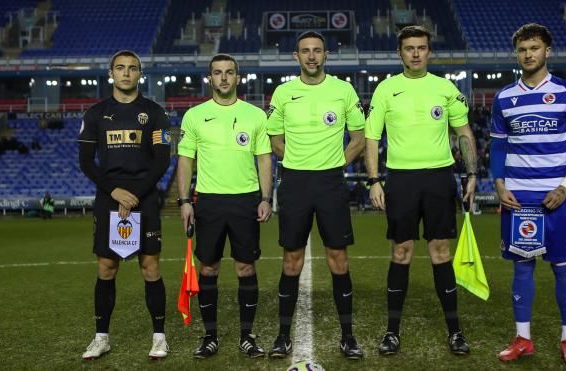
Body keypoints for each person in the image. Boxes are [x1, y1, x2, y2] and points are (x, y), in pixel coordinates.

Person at [364, 25, 476, 356]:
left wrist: (472, 172)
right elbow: (372, 138)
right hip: (400, 179)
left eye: (422, 47)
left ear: (429, 51)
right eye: (409, 48)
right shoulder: (386, 90)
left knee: (440, 252)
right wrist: (374, 181)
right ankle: (392, 332)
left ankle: (455, 331)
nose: (416, 53)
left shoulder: (446, 88)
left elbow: (464, 132)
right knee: (401, 252)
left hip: (439, 178)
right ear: (400, 53)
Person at [490, 23, 566, 367]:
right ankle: (522, 338)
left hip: (557, 199)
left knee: (563, 268)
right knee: (522, 270)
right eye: (522, 49)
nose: (528, 55)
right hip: (519, 201)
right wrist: (500, 185)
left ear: (548, 51)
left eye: (534, 48)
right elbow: (497, 148)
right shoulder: (504, 97)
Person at [266, 31, 366, 359]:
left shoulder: (343, 90)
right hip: (295, 183)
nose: (311, 56)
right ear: (296, 57)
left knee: (338, 258)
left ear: (326, 55)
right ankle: (283, 336)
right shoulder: (283, 93)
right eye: (305, 51)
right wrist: (296, 162)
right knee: (291, 259)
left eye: (317, 51)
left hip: (331, 184)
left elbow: (359, 137)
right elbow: (275, 139)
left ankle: (348, 336)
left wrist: (335, 163)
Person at [176, 53, 273, 359]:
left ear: (237, 77)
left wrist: (266, 197)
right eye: (218, 73)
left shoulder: (255, 115)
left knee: (245, 267)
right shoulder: (193, 116)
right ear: (210, 78)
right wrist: (184, 201)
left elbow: (264, 159)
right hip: (208, 201)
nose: (224, 78)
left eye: (229, 72)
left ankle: (247, 335)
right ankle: (210, 336)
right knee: (209, 267)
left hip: (245, 200)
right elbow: (185, 160)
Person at [78, 50, 171, 360]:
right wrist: (115, 192)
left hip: (145, 197)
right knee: (107, 267)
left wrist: (136, 194)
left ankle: (159, 337)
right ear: (111, 73)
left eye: (132, 68)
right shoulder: (94, 114)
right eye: (120, 68)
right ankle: (101, 337)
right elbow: (85, 162)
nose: (126, 73)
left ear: (140, 74)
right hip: (109, 197)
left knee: (150, 266)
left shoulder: (156, 113)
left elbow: (162, 160)